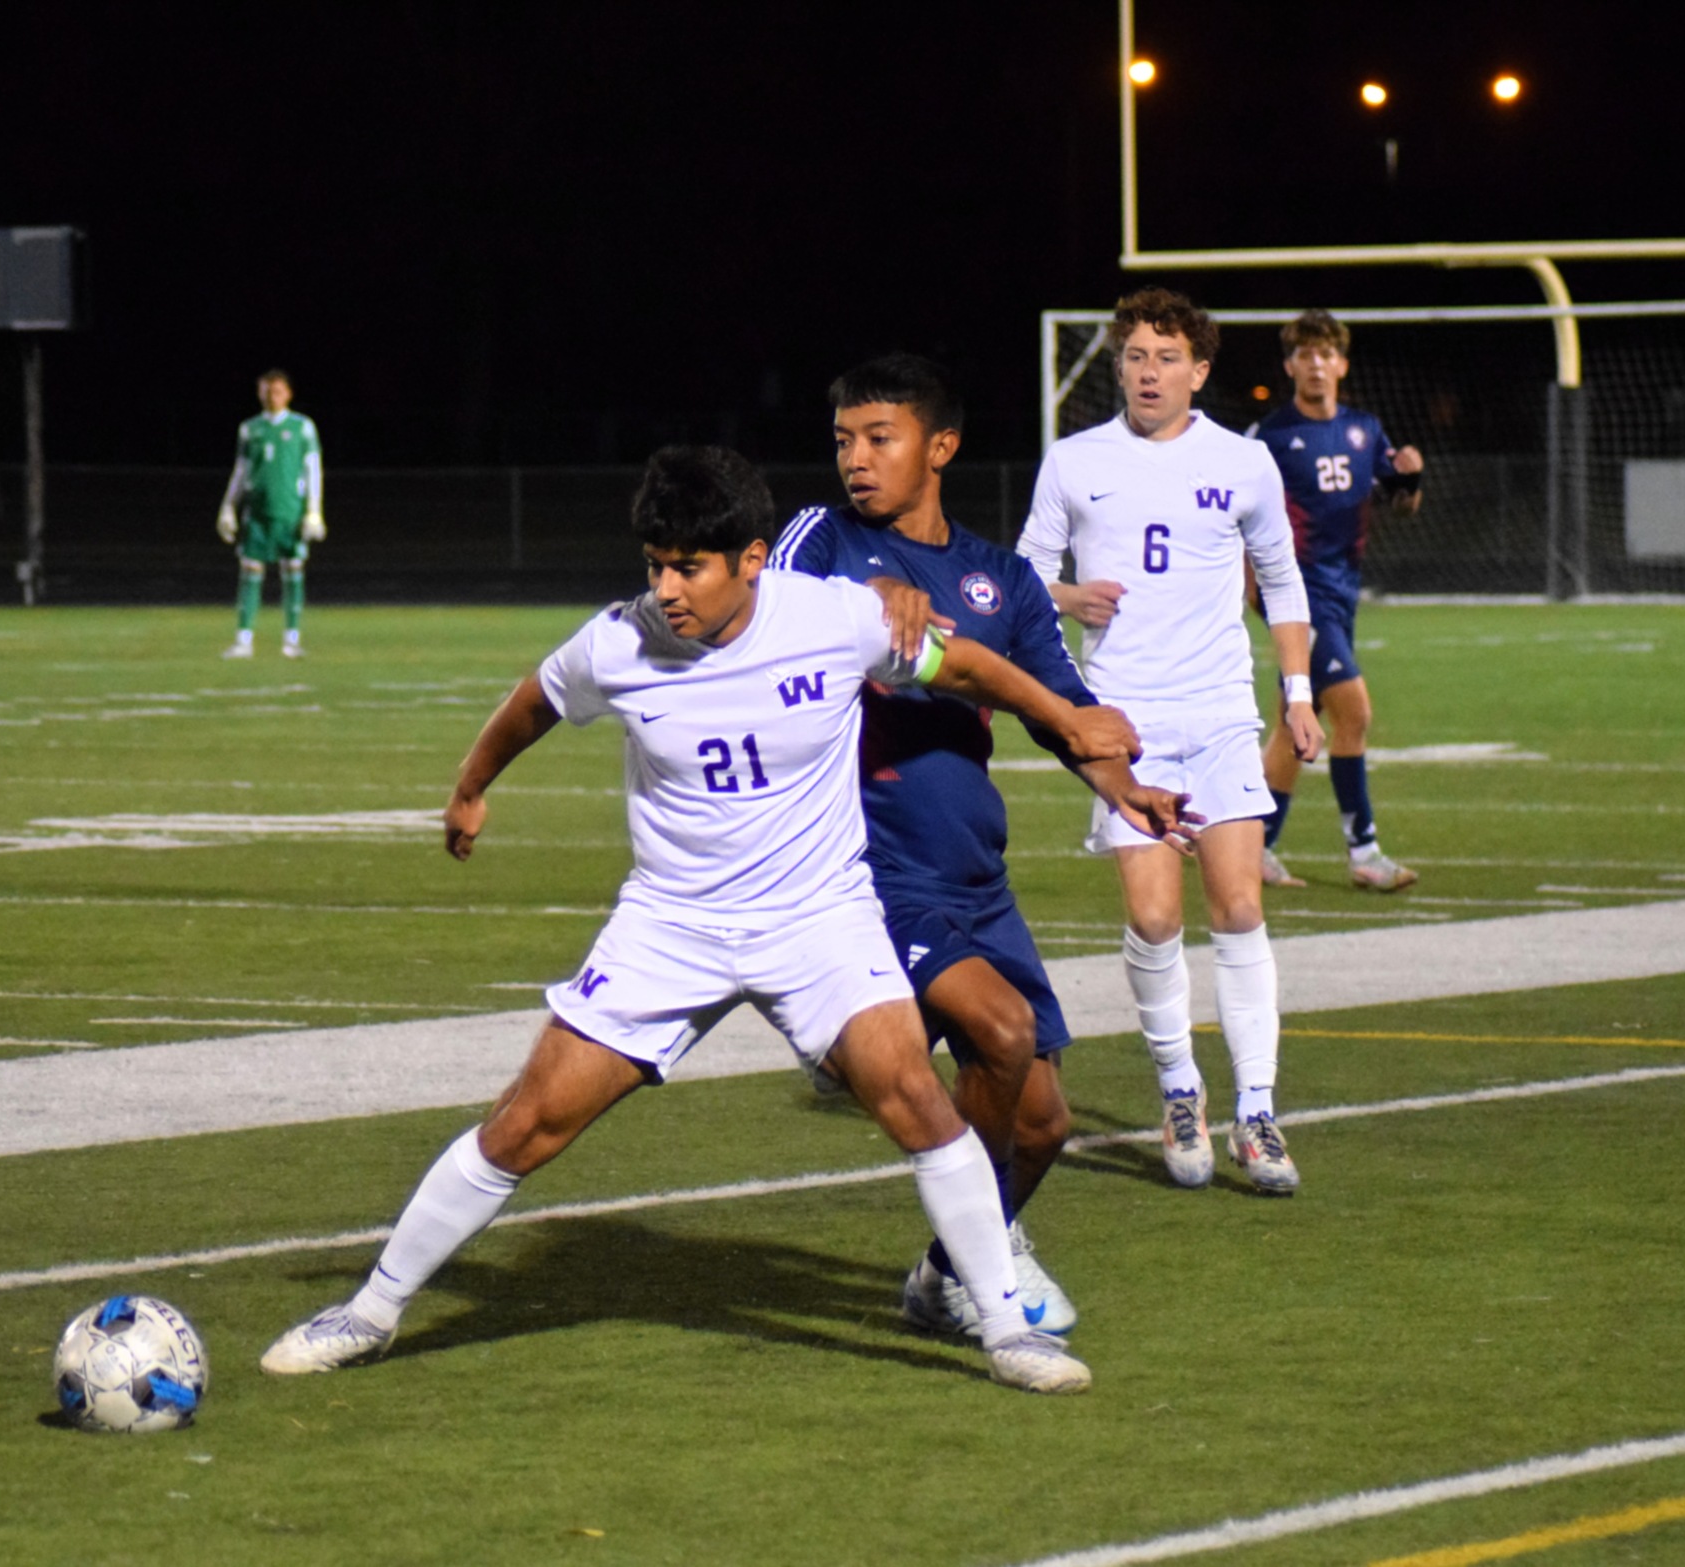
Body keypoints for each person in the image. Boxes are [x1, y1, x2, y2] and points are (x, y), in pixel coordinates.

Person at [261, 445, 1171, 1394]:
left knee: (916, 1100)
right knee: (525, 1124)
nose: (666, 588)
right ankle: (367, 1311)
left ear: (751, 558)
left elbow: (967, 666)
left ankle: (1001, 1329)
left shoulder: (830, 617)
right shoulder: (618, 639)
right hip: (673, 924)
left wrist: (1067, 723)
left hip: (818, 916)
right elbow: (533, 702)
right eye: (653, 563)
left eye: (686, 565)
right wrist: (469, 786)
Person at [769, 353, 1193, 1339]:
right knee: (998, 1033)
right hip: (868, 870)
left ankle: (946, 1268)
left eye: (879, 438)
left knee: (1043, 1123)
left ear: (940, 446)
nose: (855, 461)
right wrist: (867, 609)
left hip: (975, 875)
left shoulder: (999, 577)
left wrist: (1123, 786)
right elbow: (771, 626)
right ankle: (983, 1269)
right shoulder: (818, 541)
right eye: (843, 441)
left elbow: (1065, 714)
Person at [1018, 287, 1323, 1195]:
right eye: (1134, 356)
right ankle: (1180, 1091)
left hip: (1223, 711)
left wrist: (1297, 694)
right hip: (1125, 719)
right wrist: (1071, 599)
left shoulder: (1242, 462)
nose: (1147, 372)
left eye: (1165, 358)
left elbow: (1280, 577)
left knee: (1237, 908)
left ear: (1199, 370)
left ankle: (1258, 1112)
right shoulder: (1074, 461)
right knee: (1154, 917)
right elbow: (1024, 578)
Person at [1247, 309, 1426, 892]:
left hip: (1342, 593)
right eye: (1305, 354)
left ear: (1342, 364)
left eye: (1326, 354)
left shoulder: (1364, 430)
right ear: (1289, 365)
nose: (1316, 364)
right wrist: (1258, 595)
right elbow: (1236, 520)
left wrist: (1410, 479)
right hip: (1299, 598)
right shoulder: (1267, 438)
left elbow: (1401, 504)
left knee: (1291, 730)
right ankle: (1365, 853)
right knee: (1355, 712)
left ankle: (1256, 847)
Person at [216, 369, 325, 659]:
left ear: (288, 394)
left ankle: (291, 641)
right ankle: (243, 641)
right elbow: (241, 470)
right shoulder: (250, 428)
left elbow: (313, 469)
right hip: (258, 513)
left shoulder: (302, 427)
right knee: (250, 572)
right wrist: (228, 506)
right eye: (265, 391)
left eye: (276, 391)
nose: (271, 396)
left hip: (290, 512)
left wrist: (314, 510)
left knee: (293, 573)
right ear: (258, 393)